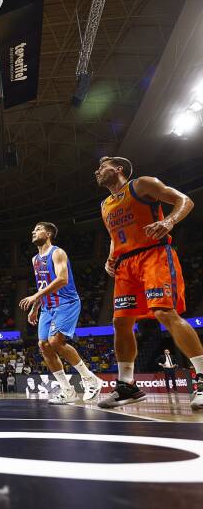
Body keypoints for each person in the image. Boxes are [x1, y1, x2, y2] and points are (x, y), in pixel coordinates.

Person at [95, 156, 203, 409]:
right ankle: (127, 386)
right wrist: (111, 257)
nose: (97, 171)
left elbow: (184, 200)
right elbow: (114, 236)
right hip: (125, 266)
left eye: (103, 167)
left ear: (118, 169)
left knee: (164, 313)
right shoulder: (105, 204)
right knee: (121, 322)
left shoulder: (141, 185)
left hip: (153, 254)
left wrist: (169, 221)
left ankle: (201, 375)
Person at [20, 222, 102, 405]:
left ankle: (91, 379)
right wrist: (35, 308)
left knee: (55, 341)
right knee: (43, 345)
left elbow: (62, 279)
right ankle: (67, 390)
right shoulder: (35, 259)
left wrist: (34, 297)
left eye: (38, 229)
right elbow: (43, 286)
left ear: (48, 233)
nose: (33, 232)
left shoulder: (57, 253)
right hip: (47, 307)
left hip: (66, 302)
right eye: (33, 230)